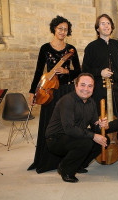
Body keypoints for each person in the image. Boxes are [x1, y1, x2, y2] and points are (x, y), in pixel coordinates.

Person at [27, 16, 81, 173]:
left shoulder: (71, 49)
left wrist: (66, 71)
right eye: (60, 29)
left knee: (68, 125)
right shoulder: (45, 48)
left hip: (66, 91)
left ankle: (69, 160)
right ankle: (47, 160)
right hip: (49, 93)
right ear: (54, 29)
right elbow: (38, 72)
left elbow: (78, 71)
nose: (63, 32)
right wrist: (32, 91)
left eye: (65, 29)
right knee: (50, 125)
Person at [82, 14, 118, 161]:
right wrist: (99, 72)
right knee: (100, 119)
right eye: (102, 23)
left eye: (108, 23)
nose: (106, 26)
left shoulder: (116, 45)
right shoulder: (91, 47)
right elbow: (84, 69)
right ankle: (99, 149)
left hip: (116, 89)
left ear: (111, 27)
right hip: (99, 89)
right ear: (97, 28)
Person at [45, 73, 109, 183]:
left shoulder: (91, 102)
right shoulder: (67, 101)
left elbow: (94, 125)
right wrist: (93, 136)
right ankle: (65, 169)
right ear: (76, 86)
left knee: (104, 139)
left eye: (90, 86)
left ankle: (78, 165)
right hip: (56, 139)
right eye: (83, 85)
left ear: (93, 88)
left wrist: (101, 124)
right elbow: (69, 128)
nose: (86, 89)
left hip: (74, 135)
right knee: (86, 142)